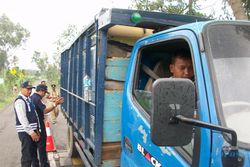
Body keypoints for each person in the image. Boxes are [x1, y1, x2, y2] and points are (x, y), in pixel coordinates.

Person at [31, 84, 64, 167]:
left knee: (34, 147)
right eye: (44, 92)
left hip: (33, 124)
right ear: (41, 91)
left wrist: (54, 100)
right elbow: (45, 110)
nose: (45, 94)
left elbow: (47, 99)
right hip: (39, 124)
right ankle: (44, 164)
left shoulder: (32, 97)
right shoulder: (38, 99)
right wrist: (55, 104)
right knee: (41, 146)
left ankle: (35, 164)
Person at [14, 81, 40, 167]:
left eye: (31, 89)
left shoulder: (28, 100)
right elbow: (23, 119)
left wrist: (37, 130)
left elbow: (34, 115)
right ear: (22, 89)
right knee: (27, 156)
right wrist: (31, 132)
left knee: (33, 154)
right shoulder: (20, 101)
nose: (30, 91)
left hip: (32, 132)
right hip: (25, 133)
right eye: (28, 89)